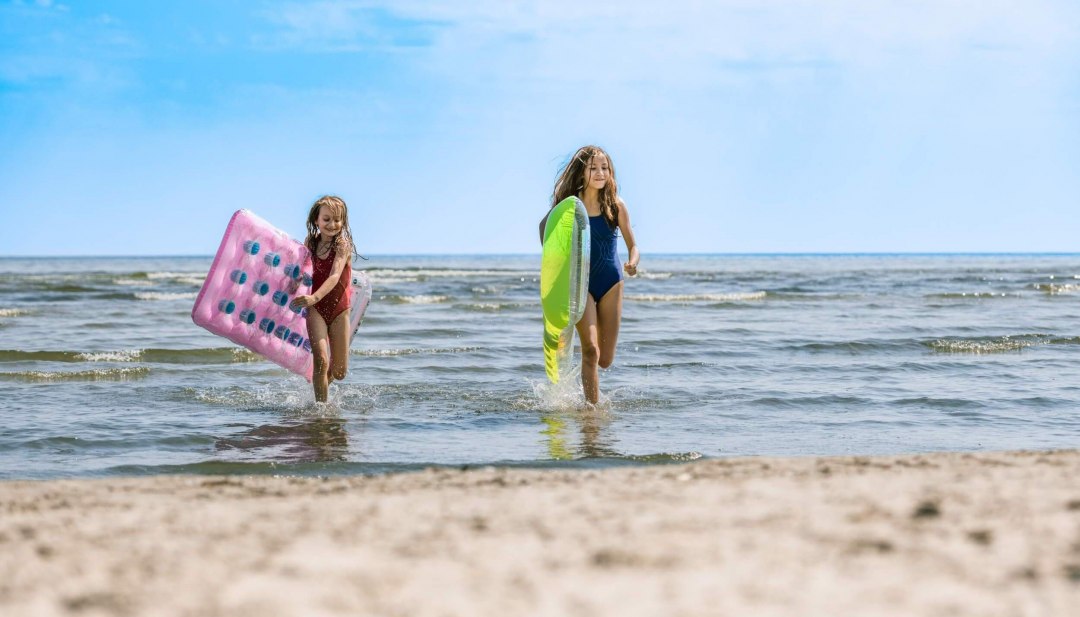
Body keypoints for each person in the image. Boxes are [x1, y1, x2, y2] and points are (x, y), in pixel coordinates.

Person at [540, 145, 639, 405]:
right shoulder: (570, 207)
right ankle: (591, 412)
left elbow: (633, 245)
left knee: (605, 359)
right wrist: (557, 264)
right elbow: (545, 229)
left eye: (604, 167)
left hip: (611, 282)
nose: (599, 172)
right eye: (593, 167)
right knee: (591, 351)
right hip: (580, 284)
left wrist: (633, 262)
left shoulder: (615, 206)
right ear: (582, 172)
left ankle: (589, 395)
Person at [290, 195, 356, 403]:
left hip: (339, 309)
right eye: (326, 219)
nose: (332, 224)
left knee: (339, 372)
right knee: (320, 360)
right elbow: (303, 266)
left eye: (338, 220)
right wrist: (296, 280)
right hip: (316, 308)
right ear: (316, 220)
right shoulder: (311, 241)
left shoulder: (343, 244)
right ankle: (321, 411)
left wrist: (314, 296)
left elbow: (335, 276)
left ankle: (321, 385)